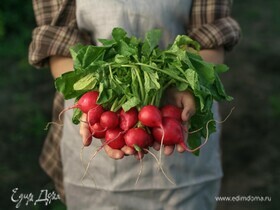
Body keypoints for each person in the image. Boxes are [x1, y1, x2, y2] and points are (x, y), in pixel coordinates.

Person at [29, 0, 240, 209]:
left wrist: (183, 86)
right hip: (102, 139)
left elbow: (209, 40)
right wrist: (91, 94)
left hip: (178, 123)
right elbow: (58, 43)